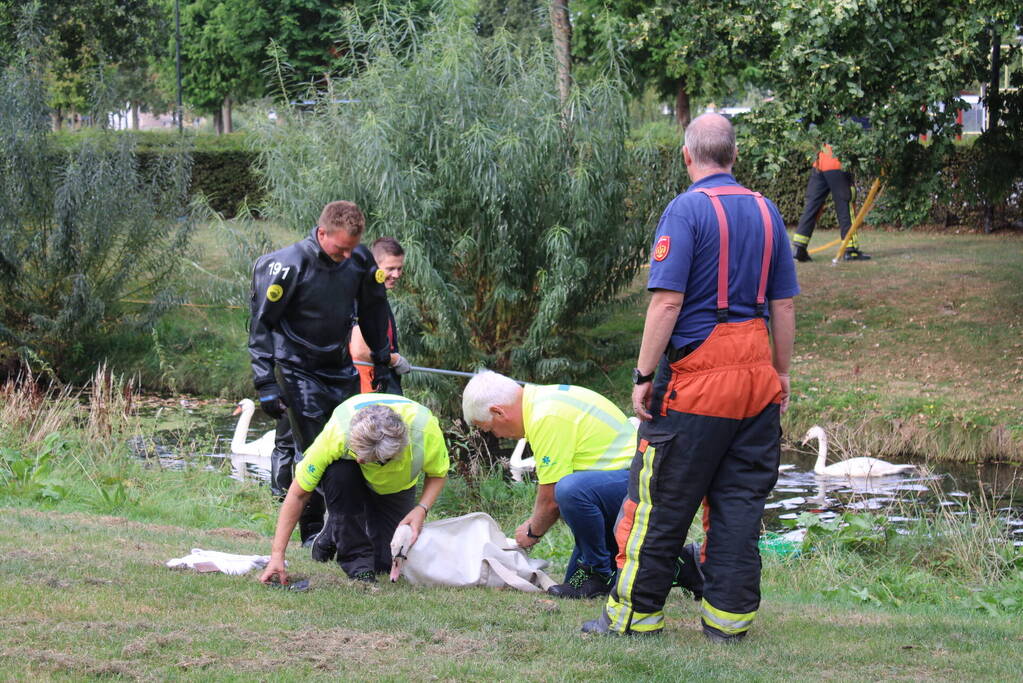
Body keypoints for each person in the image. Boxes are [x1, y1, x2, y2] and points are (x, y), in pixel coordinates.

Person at [583, 113, 798, 640]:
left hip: (696, 384)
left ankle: (635, 619)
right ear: (734, 154)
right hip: (758, 381)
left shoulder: (686, 210)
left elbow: (667, 303)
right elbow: (784, 307)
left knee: (659, 505)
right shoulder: (769, 211)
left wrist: (643, 373)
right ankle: (728, 623)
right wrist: (781, 373)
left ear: (687, 155)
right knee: (740, 506)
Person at [249, 200, 393, 545]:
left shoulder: (358, 261)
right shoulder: (287, 266)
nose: (345, 255)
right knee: (313, 449)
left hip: (339, 366)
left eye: (351, 249)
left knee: (350, 444)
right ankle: (312, 531)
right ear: (322, 231)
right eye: (340, 248)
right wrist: (266, 381)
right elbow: (260, 326)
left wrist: (382, 358)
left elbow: (374, 310)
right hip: (296, 367)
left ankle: (346, 526)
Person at [462, 370, 634, 599]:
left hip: (636, 481)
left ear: (498, 411)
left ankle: (597, 571)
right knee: (574, 581)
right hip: (618, 483)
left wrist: (532, 532)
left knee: (570, 491)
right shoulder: (540, 402)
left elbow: (552, 497)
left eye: (490, 428)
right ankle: (682, 567)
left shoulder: (546, 417)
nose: (497, 435)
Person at [258, 395, 449, 584]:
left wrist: (421, 508)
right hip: (348, 480)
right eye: (359, 455)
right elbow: (298, 495)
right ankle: (358, 566)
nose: (361, 460)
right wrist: (277, 556)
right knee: (340, 472)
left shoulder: (425, 430)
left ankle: (333, 529)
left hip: (395, 487)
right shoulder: (336, 435)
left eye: (371, 460)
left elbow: (438, 474)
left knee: (385, 562)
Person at [351, 237, 412, 395]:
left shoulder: (379, 298)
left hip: (382, 383)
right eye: (390, 269)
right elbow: (360, 351)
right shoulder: (362, 299)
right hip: (368, 389)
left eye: (399, 268)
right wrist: (395, 360)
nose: (396, 274)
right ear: (374, 267)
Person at [791, 144, 870, 262]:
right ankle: (850, 250)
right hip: (837, 163)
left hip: (819, 164)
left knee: (812, 206)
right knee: (845, 204)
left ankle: (799, 248)